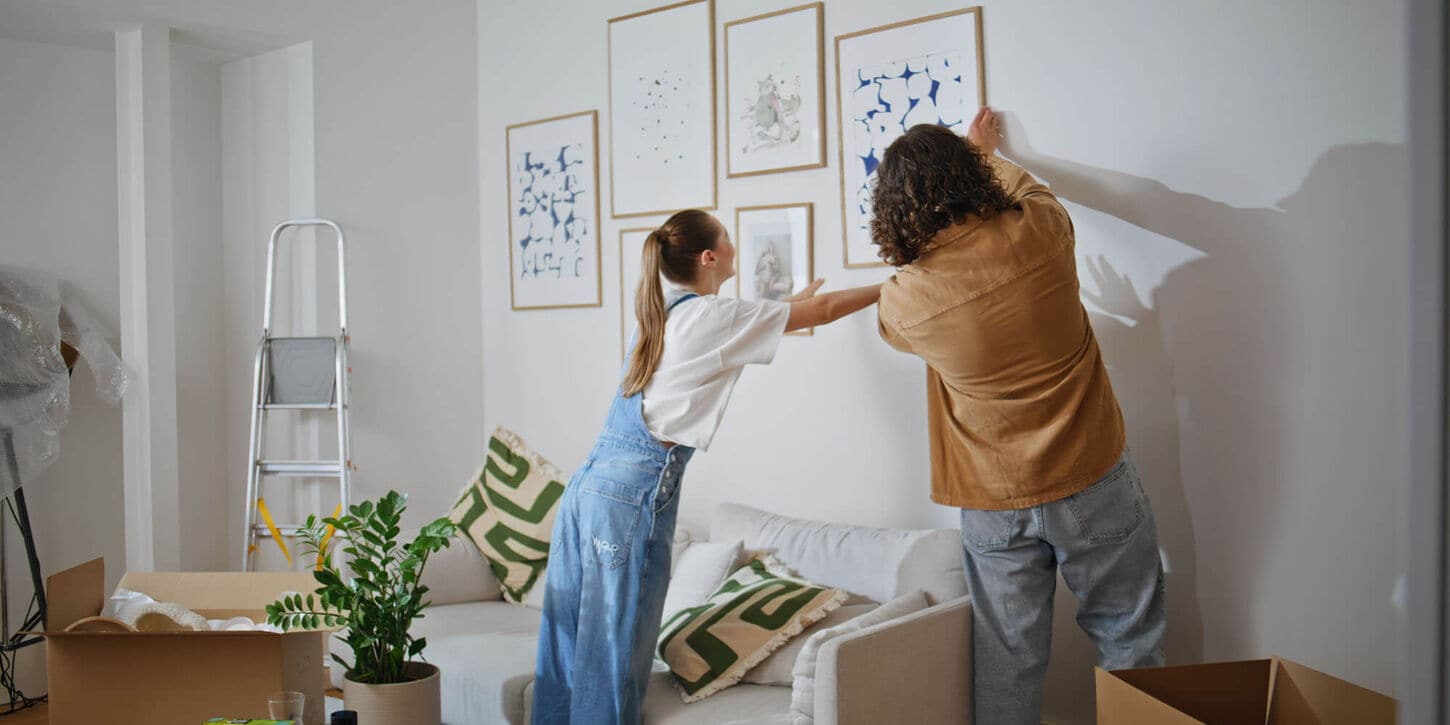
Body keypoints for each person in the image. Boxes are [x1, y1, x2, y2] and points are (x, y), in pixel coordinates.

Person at [871, 108, 1167, 725]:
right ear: (964, 176)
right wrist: (982, 150)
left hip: (993, 498)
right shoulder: (1043, 230)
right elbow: (1027, 187)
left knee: (1007, 663)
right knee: (1131, 641)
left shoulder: (904, 300)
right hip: (1092, 476)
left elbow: (898, 331)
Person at [532, 209, 881, 724]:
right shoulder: (713, 317)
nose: (736, 247)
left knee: (565, 647)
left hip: (590, 490)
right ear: (710, 256)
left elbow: (768, 318)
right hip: (632, 498)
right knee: (616, 652)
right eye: (728, 239)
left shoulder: (665, 312)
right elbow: (825, 311)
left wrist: (794, 303)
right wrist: (895, 284)